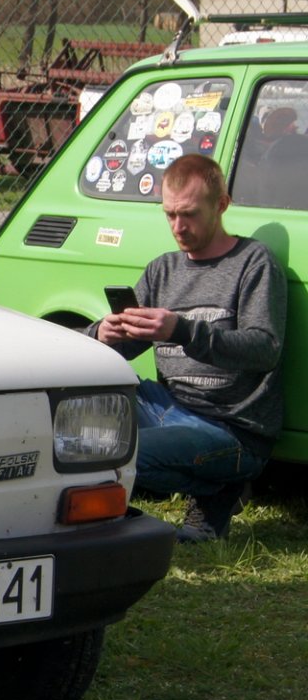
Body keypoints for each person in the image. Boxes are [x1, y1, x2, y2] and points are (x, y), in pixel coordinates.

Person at [89, 154, 285, 543]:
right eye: (170, 215)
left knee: (118, 453)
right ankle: (214, 490)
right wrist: (104, 334)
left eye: (190, 214)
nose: (178, 227)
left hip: (229, 427)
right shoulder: (162, 269)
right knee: (70, 426)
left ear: (222, 205)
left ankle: (216, 486)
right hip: (166, 404)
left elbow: (265, 349)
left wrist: (182, 330)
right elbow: (130, 348)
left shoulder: (253, 262)